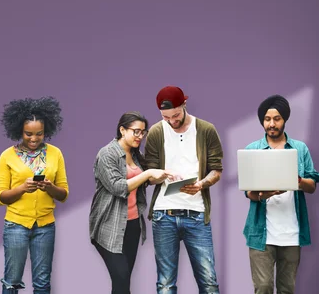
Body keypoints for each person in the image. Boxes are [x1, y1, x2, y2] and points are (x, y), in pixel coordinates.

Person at [145, 86, 223, 294]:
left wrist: (200, 185)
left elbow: (216, 170)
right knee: (165, 284)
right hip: (164, 214)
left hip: (196, 214)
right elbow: (149, 176)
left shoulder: (206, 130)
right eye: (166, 117)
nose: (172, 121)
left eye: (176, 115)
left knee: (208, 283)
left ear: (184, 105)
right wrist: (160, 174)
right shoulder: (155, 132)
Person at [243, 95, 319, 294]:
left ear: (284, 119)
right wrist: (265, 194)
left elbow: (312, 186)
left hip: (292, 232)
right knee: (263, 287)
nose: (272, 124)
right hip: (261, 233)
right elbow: (249, 193)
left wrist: (299, 181)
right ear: (262, 121)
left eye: (276, 119)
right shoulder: (252, 150)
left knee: (287, 289)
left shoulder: (300, 148)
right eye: (267, 119)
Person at [90, 112, 172, 294]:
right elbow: (119, 187)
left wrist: (164, 176)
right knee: (121, 276)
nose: (140, 136)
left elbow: (145, 181)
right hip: (109, 225)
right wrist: (148, 173)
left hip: (133, 224)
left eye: (143, 132)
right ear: (122, 130)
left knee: (124, 282)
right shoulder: (107, 154)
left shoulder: (135, 154)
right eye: (136, 131)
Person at [0, 96, 69, 294]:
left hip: (46, 226)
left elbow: (63, 194)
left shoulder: (55, 154)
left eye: (39, 134)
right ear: (19, 130)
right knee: (11, 281)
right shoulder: (7, 156)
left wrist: (49, 187)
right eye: (28, 134)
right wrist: (21, 189)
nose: (34, 139)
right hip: (16, 226)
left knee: (43, 283)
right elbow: (1, 197)